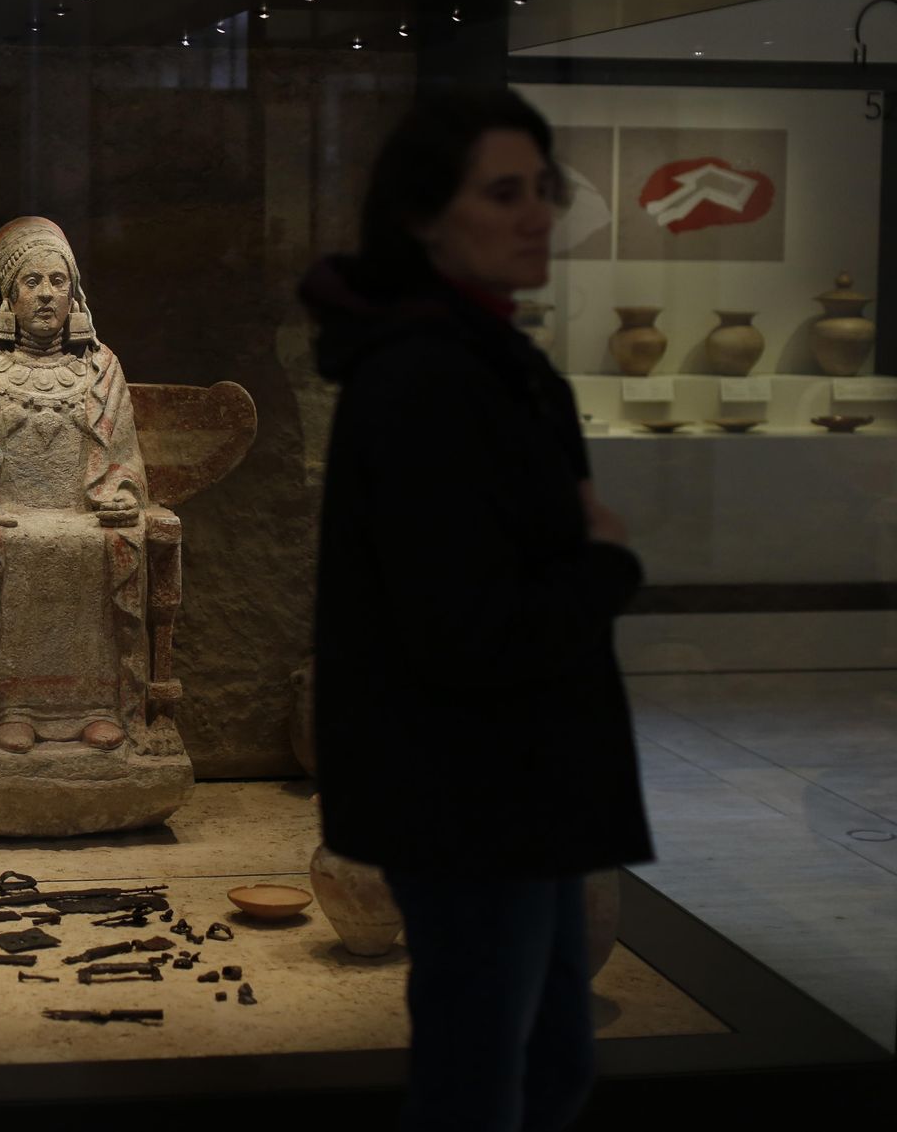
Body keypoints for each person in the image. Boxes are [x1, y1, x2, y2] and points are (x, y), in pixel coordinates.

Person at [301, 89, 653, 1132]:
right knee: (479, 1084)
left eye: (543, 189)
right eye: (504, 192)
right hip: (466, 790)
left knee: (543, 1066)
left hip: (513, 782)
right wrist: (605, 566)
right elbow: (463, 625)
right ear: (421, 215)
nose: (536, 213)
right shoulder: (426, 379)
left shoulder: (483, 360)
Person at [0, 216, 148, 755]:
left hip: (85, 519)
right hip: (3, 517)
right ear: (4, 294)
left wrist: (122, 493)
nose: (47, 294)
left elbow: (128, 460)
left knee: (100, 546)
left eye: (58, 281)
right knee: (11, 546)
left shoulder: (102, 369)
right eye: (32, 281)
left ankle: (94, 708)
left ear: (75, 292)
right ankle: (8, 708)